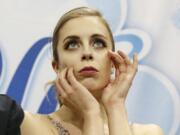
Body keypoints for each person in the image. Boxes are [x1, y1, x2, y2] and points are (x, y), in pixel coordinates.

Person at [1, 7, 164, 135]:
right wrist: (91, 114)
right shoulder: (20, 124)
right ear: (56, 66)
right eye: (72, 44)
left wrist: (116, 104)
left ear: (113, 62)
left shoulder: (148, 133)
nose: (87, 53)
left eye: (98, 43)